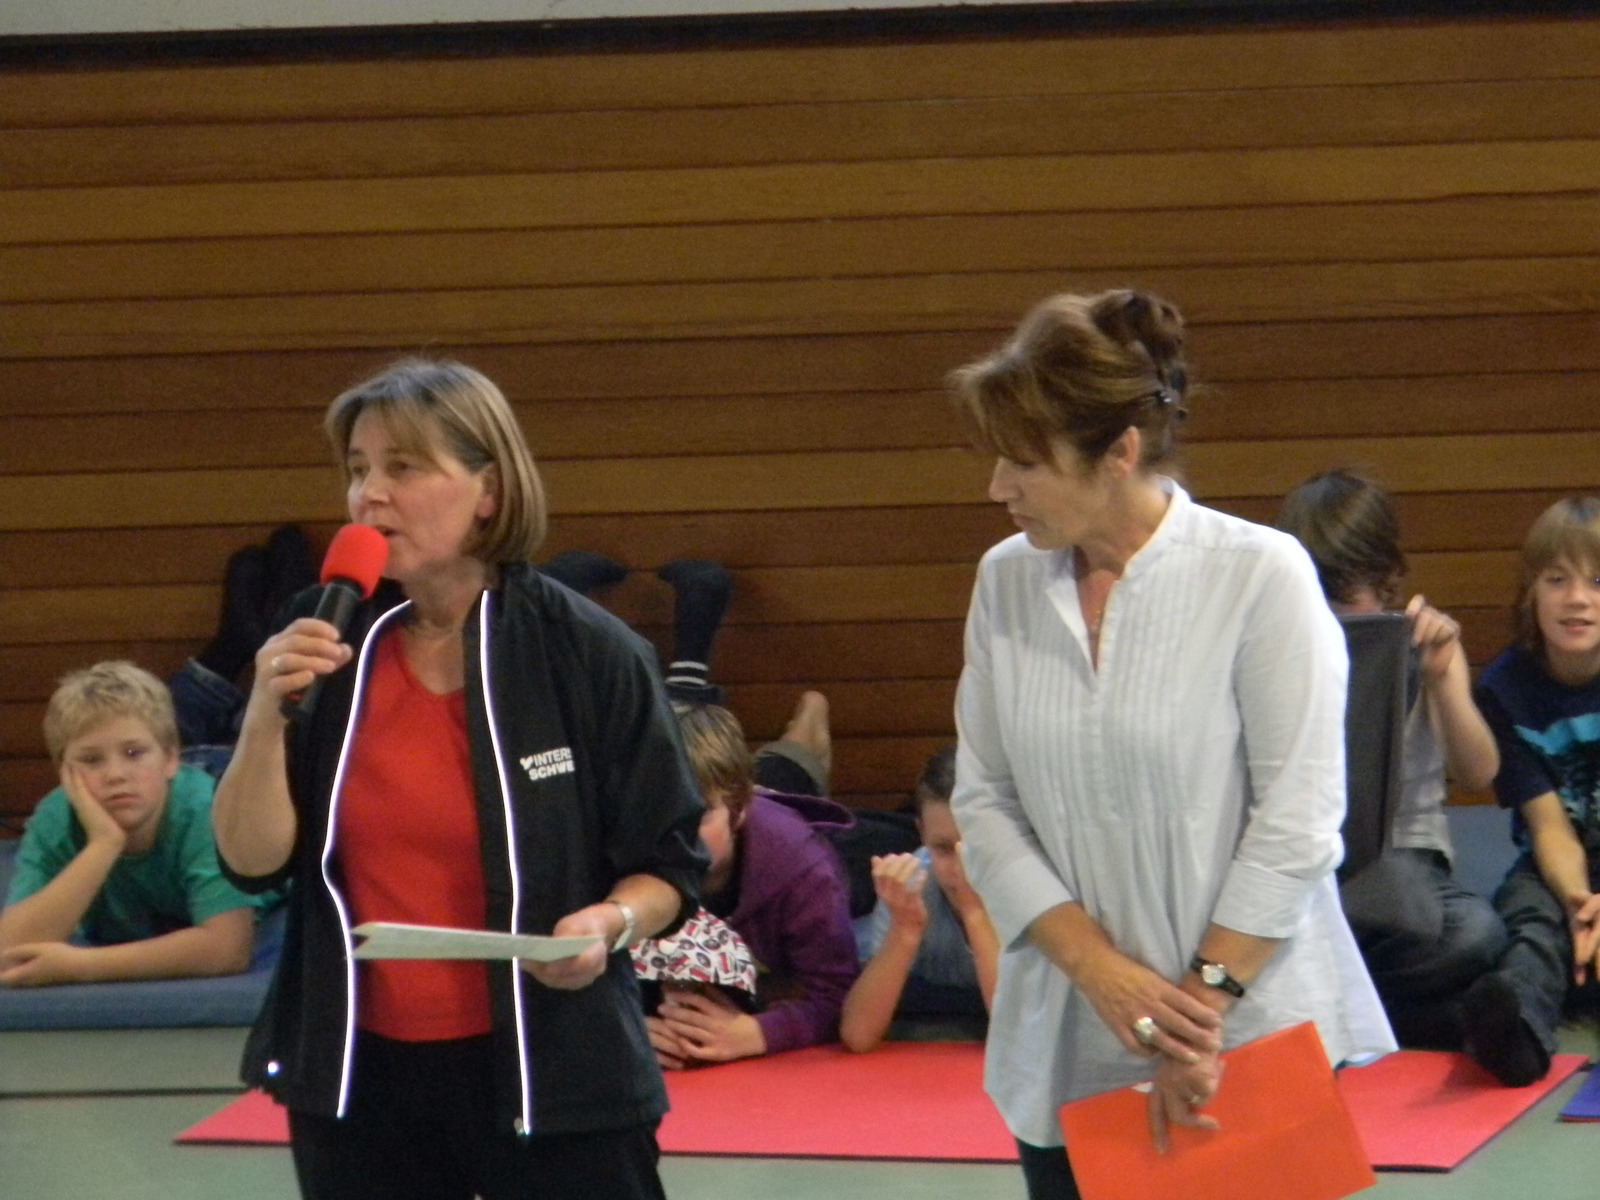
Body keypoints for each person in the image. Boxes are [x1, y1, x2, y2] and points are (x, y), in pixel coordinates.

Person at [210, 358, 707, 1200]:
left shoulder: (590, 652)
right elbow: (250, 862)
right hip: (359, 1080)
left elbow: (669, 865)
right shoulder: (321, 637)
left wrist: (611, 921)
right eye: (358, 470)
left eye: (403, 468)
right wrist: (263, 714)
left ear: (489, 489)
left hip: (553, 1071)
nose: (369, 495)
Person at [947, 289, 1394, 1198]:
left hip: (1248, 1035)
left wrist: (1195, 1015)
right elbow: (984, 804)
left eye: (1025, 462)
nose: (998, 488)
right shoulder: (1005, 582)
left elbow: (1299, 821)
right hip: (1072, 1027)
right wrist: (1099, 970)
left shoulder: (1259, 574)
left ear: (1120, 453)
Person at [1277, 469, 1505, 1052]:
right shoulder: (1281, 641)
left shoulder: (1421, 642)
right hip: (1311, 861)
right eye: (1322, 595)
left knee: (1476, 934)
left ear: (1386, 579)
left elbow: (1480, 773)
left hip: (1407, 861)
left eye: (1349, 596)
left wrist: (1441, 679)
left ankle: (1335, 1008)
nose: (1337, 614)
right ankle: (1413, 1019)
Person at [0, 661, 268, 987]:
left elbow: (228, 949)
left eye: (133, 753)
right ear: (64, 773)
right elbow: (9, 951)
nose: (116, 775)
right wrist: (103, 844)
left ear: (170, 759)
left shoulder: (206, 810)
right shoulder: (56, 818)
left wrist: (83, 965)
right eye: (91, 760)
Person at [645, 702, 858, 1069]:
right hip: (745, 812)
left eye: (698, 815)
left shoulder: (805, 870)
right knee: (771, 772)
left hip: (841, 846)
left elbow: (839, 995)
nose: (679, 834)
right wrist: (630, 1028)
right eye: (661, 812)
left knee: (790, 772)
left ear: (739, 809)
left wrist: (758, 1033)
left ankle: (809, 722)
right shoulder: (626, 850)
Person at [1468, 497, 1600, 1086]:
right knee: (1529, 921)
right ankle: (1516, 1030)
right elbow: (1549, 828)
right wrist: (1579, 905)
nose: (1578, 598)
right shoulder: (1505, 689)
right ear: (1531, 595)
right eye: (1557, 580)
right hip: (1558, 867)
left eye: (1597, 582)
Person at [841, 744, 999, 1051]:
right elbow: (858, 1035)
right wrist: (905, 929)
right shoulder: (912, 885)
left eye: (974, 847)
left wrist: (975, 913)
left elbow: (1023, 1035)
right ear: (922, 834)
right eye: (943, 848)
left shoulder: (1029, 886)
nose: (960, 868)